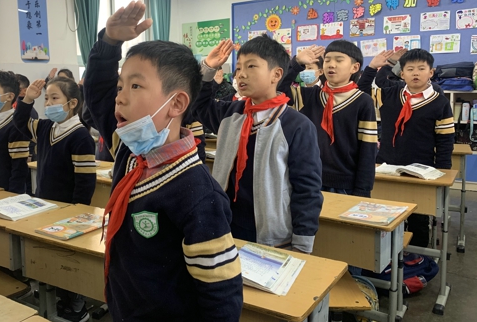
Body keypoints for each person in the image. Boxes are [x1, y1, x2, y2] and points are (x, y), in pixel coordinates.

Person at [84, 1, 242, 322]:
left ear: (176, 104)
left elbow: (221, 296)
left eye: (135, 87)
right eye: (121, 86)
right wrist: (109, 43)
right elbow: (96, 94)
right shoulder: (129, 150)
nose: (120, 98)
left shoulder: (196, 193)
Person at [192, 35, 323, 253]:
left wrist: (302, 245)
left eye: (251, 66)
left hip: (270, 235)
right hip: (225, 225)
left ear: (276, 75)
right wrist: (207, 67)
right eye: (238, 68)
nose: (241, 74)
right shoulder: (230, 113)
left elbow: (307, 190)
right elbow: (198, 104)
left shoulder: (296, 125)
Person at [14, 76, 96, 322]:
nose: (48, 103)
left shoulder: (80, 136)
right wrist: (28, 99)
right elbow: (19, 122)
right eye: (46, 98)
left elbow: (85, 182)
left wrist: (77, 212)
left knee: (68, 259)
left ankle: (77, 306)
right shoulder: (46, 127)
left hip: (69, 210)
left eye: (54, 98)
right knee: (49, 254)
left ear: (72, 103)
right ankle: (58, 296)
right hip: (46, 205)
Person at [358, 48, 455, 246]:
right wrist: (372, 67)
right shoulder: (389, 94)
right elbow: (361, 91)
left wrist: (442, 172)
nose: (415, 73)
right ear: (401, 74)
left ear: (431, 72)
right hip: (386, 166)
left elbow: (445, 140)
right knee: (385, 214)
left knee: (419, 217)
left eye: (421, 68)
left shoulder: (440, 103)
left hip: (421, 170)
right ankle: (388, 255)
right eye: (410, 69)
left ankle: (419, 257)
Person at [278, 41, 377, 197]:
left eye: (339, 60)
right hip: (308, 179)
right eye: (328, 60)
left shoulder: (363, 101)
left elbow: (367, 149)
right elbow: (278, 90)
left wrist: (363, 190)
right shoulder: (309, 95)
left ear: (354, 67)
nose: (331, 64)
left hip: (345, 185)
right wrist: (296, 63)